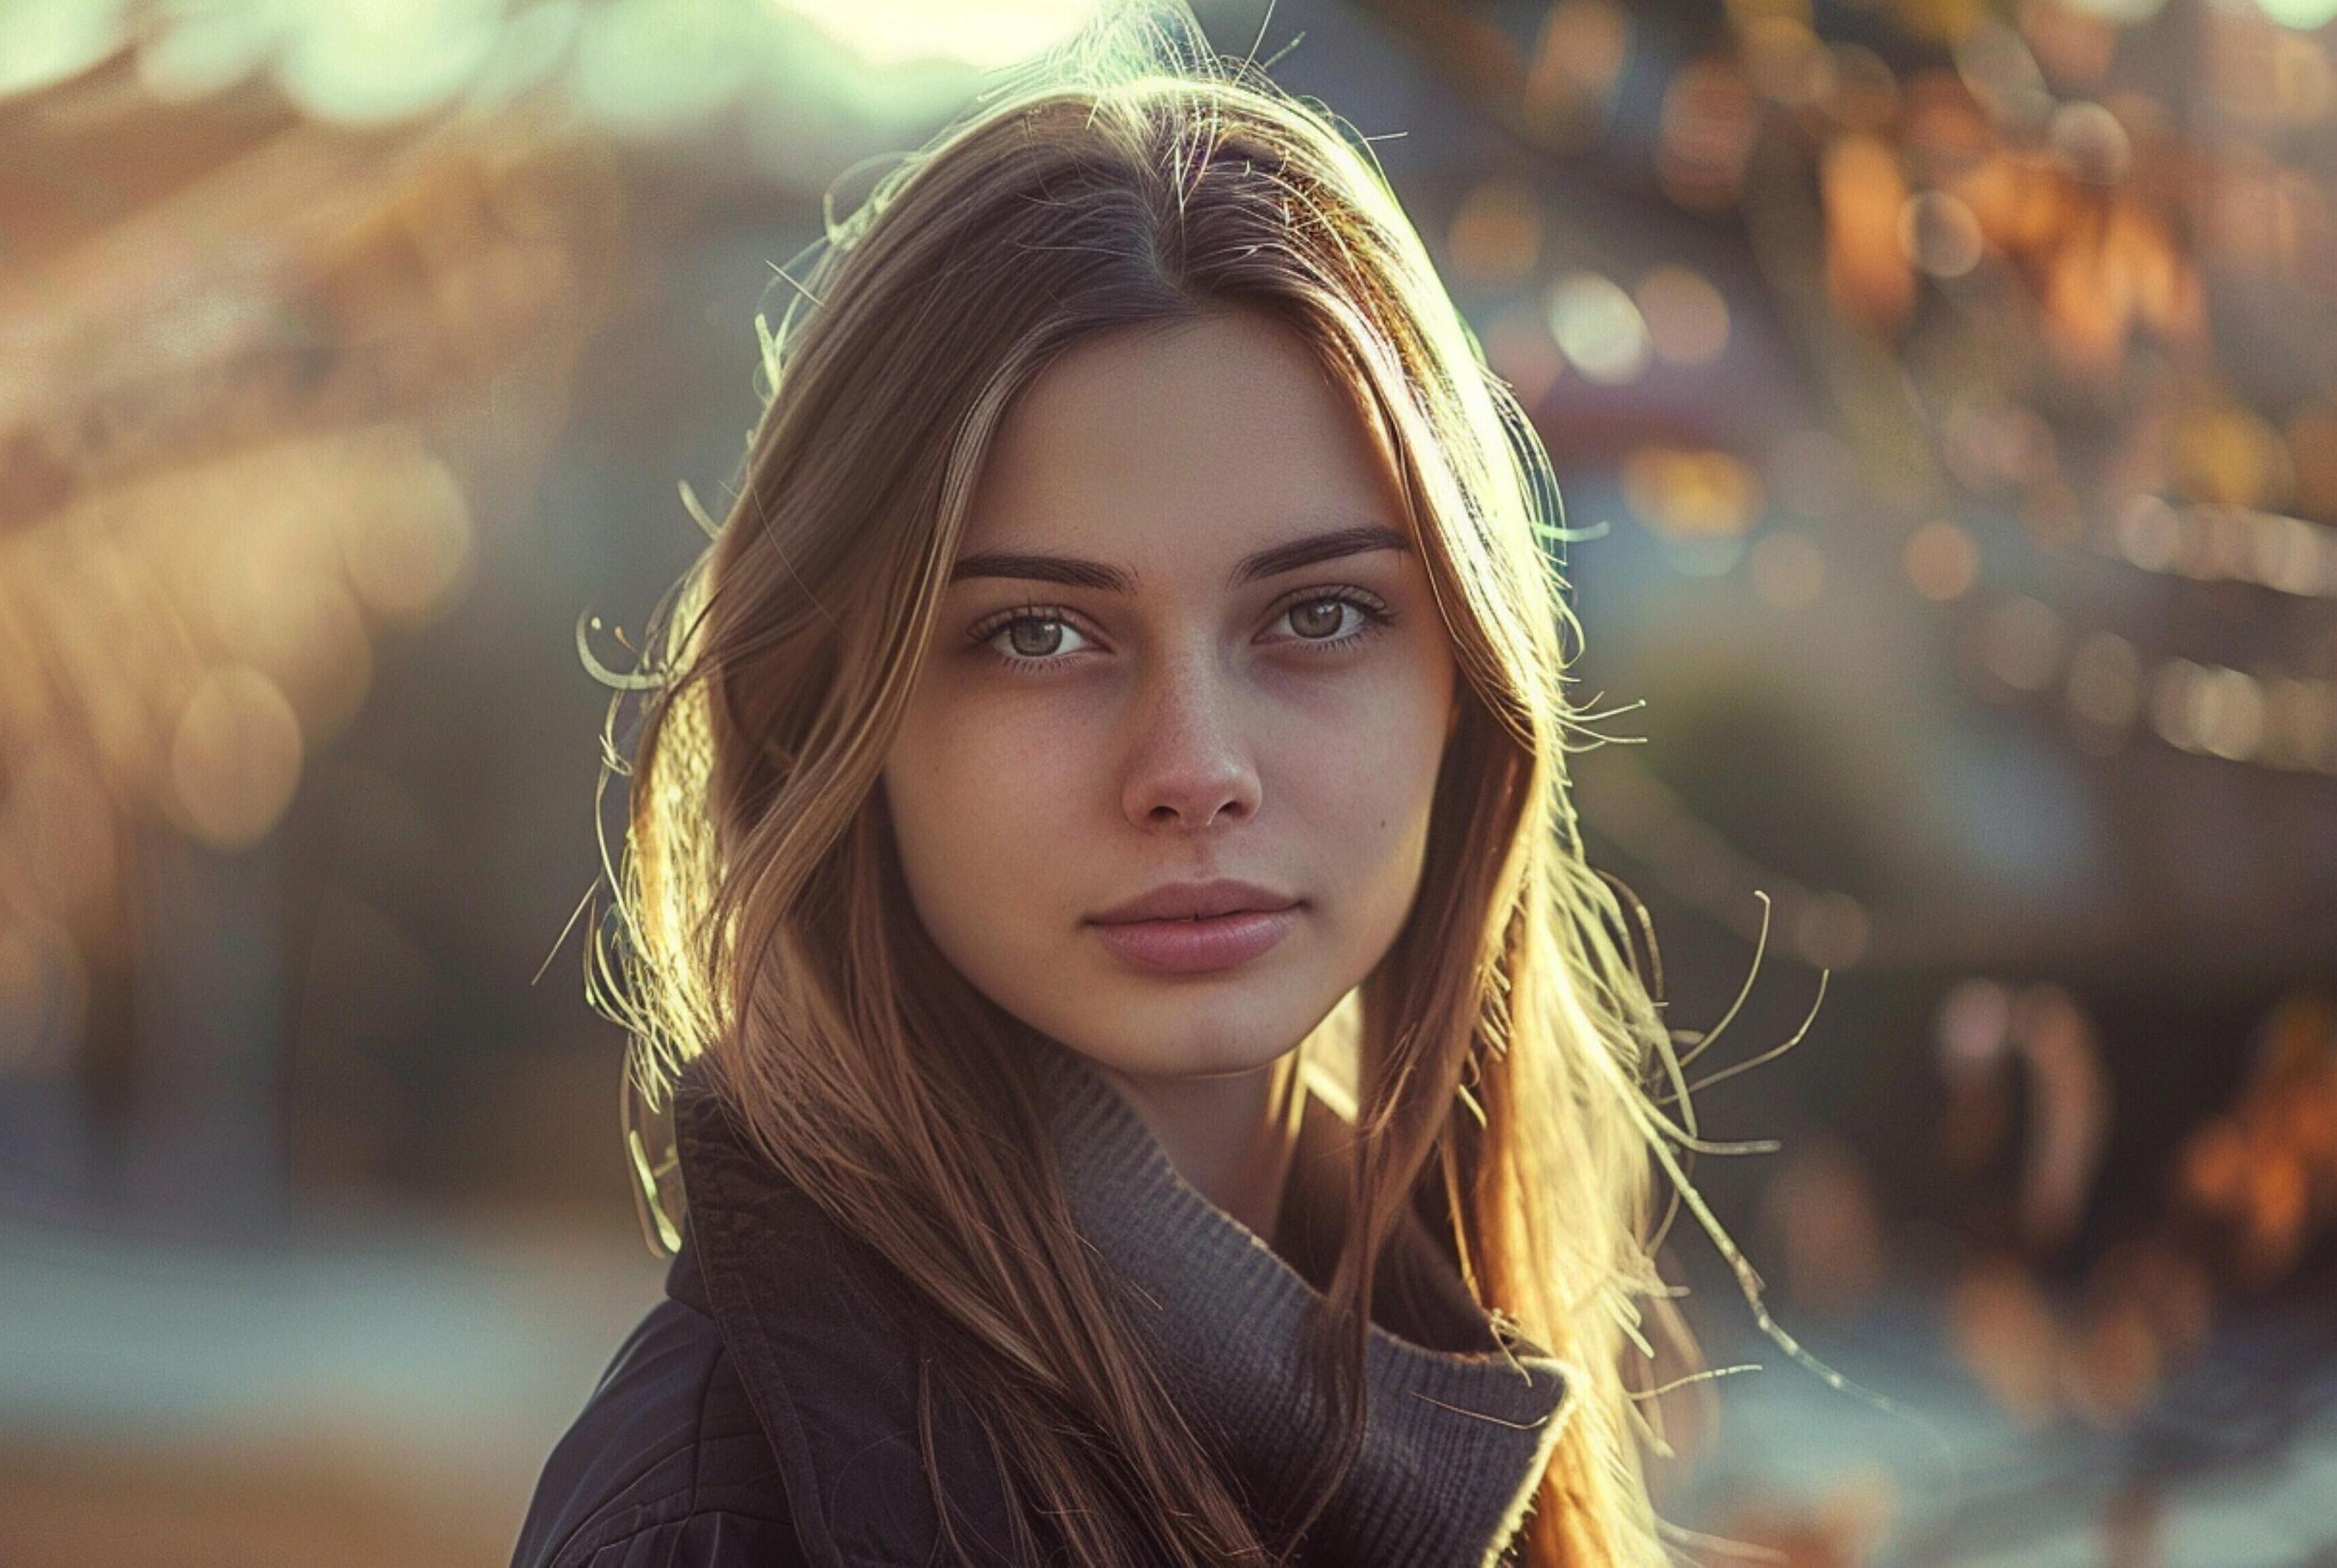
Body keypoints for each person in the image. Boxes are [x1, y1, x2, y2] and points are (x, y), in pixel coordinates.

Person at [513, 3, 1722, 1562]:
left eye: (1319, 613)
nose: (1194, 770)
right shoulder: (719, 1518)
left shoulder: (1441, 1390)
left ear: (1468, 688)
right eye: (1037, 631)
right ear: (835, 712)